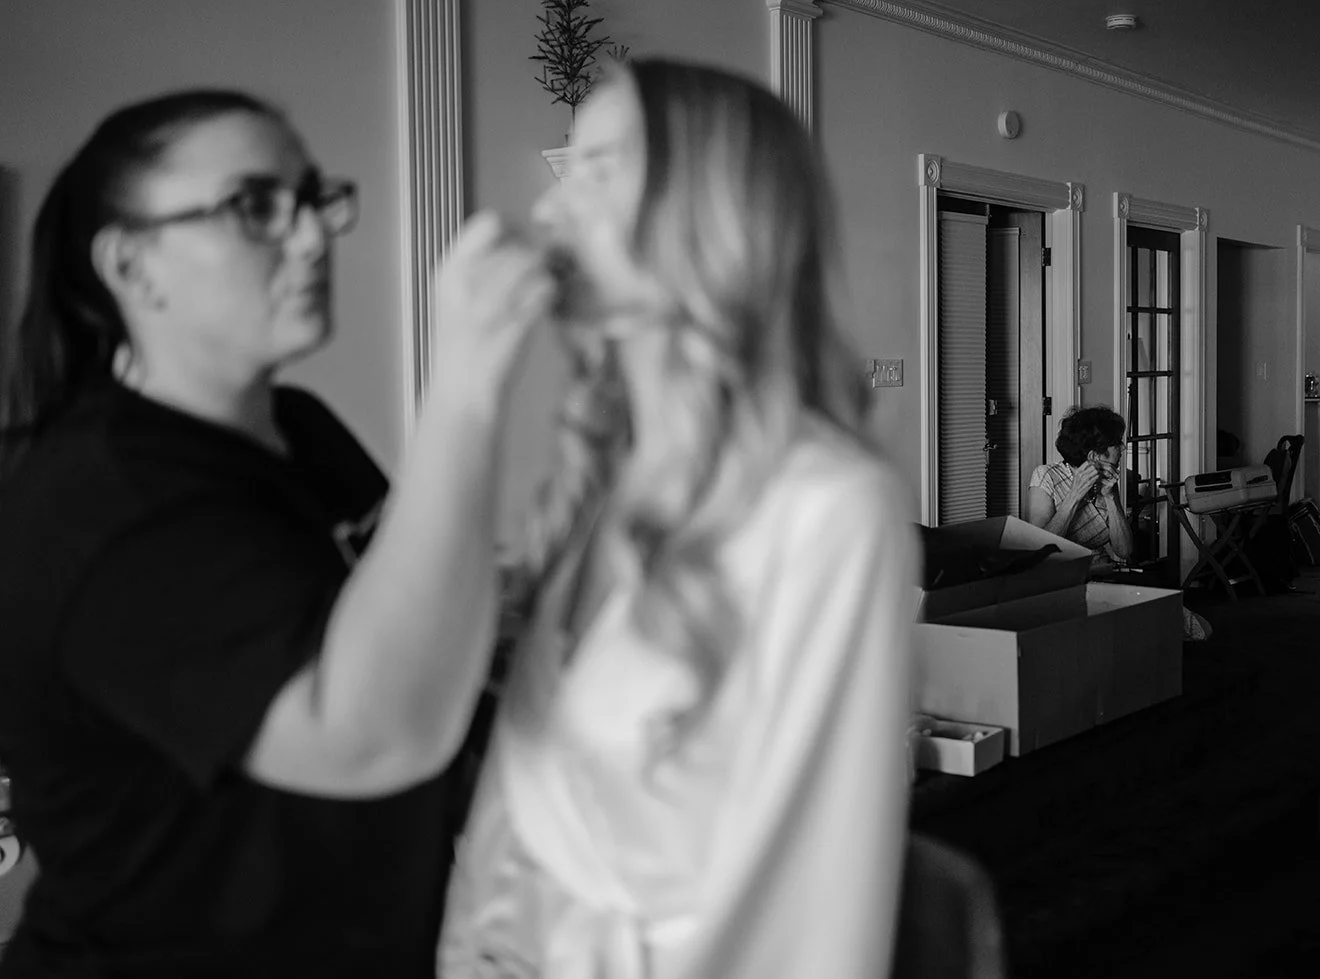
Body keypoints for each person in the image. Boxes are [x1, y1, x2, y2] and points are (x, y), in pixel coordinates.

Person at [0, 90, 550, 977]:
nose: (311, 236)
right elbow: (374, 732)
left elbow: (410, 624)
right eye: (254, 207)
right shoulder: (99, 501)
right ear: (134, 268)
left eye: (311, 198)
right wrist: (468, 382)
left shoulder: (304, 428)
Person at [437, 59, 919, 978]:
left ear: (714, 211)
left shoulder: (829, 510)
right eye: (563, 169)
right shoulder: (606, 482)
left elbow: (811, 909)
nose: (546, 212)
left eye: (601, 168)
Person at [1024, 404, 1136, 566]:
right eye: (1117, 443)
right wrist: (1075, 495)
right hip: (1059, 574)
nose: (1123, 448)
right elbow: (1041, 548)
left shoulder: (1107, 481)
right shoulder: (1047, 476)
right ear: (1094, 456)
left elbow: (1124, 551)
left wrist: (1111, 498)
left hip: (1101, 571)